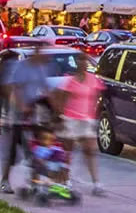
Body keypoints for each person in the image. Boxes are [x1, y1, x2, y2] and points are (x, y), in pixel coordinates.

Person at [0, 45, 57, 194]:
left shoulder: (41, 69)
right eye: (42, 54)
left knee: (36, 150)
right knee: (13, 152)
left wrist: (55, 110)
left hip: (32, 115)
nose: (45, 58)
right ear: (36, 54)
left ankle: (34, 183)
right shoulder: (22, 67)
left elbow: (46, 90)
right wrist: (22, 106)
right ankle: (5, 181)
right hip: (17, 117)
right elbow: (13, 89)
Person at [54, 52, 106, 194]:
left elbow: (98, 97)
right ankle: (66, 179)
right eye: (80, 61)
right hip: (71, 118)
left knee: (89, 150)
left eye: (84, 61)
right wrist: (61, 117)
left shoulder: (93, 79)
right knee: (68, 151)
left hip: (86, 119)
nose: (82, 64)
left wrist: (95, 114)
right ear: (76, 63)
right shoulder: (70, 81)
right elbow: (62, 99)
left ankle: (96, 183)